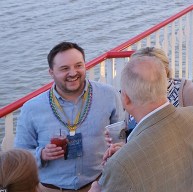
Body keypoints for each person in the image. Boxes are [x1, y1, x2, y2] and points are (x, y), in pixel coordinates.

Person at [14, 42, 123, 192]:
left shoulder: (109, 95)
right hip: (50, 189)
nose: (73, 73)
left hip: (98, 185)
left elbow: (122, 138)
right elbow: (19, 155)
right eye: (65, 68)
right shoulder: (32, 108)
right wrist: (42, 154)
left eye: (78, 65)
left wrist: (117, 147)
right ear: (51, 72)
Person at [90, 55, 193, 192]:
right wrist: (127, 152)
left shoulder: (120, 166)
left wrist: (96, 188)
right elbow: (163, 157)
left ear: (126, 99)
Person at [122, 48, 193, 192]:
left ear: (165, 72)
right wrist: (122, 151)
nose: (138, 81)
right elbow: (141, 143)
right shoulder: (133, 99)